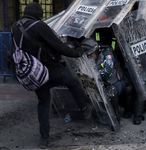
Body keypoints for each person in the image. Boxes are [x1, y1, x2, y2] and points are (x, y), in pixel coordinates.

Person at [11, 2, 93, 149]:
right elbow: (58, 45)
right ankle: (84, 107)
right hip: (49, 69)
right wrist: (76, 53)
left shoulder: (15, 27)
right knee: (72, 82)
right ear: (38, 14)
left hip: (33, 73)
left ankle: (44, 137)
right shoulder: (39, 26)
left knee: (43, 102)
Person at [81, 37, 126, 121]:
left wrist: (94, 76)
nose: (89, 57)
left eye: (91, 54)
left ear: (96, 51)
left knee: (110, 93)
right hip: (101, 84)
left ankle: (116, 118)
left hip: (116, 82)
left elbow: (108, 70)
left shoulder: (107, 54)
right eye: (87, 56)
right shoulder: (89, 58)